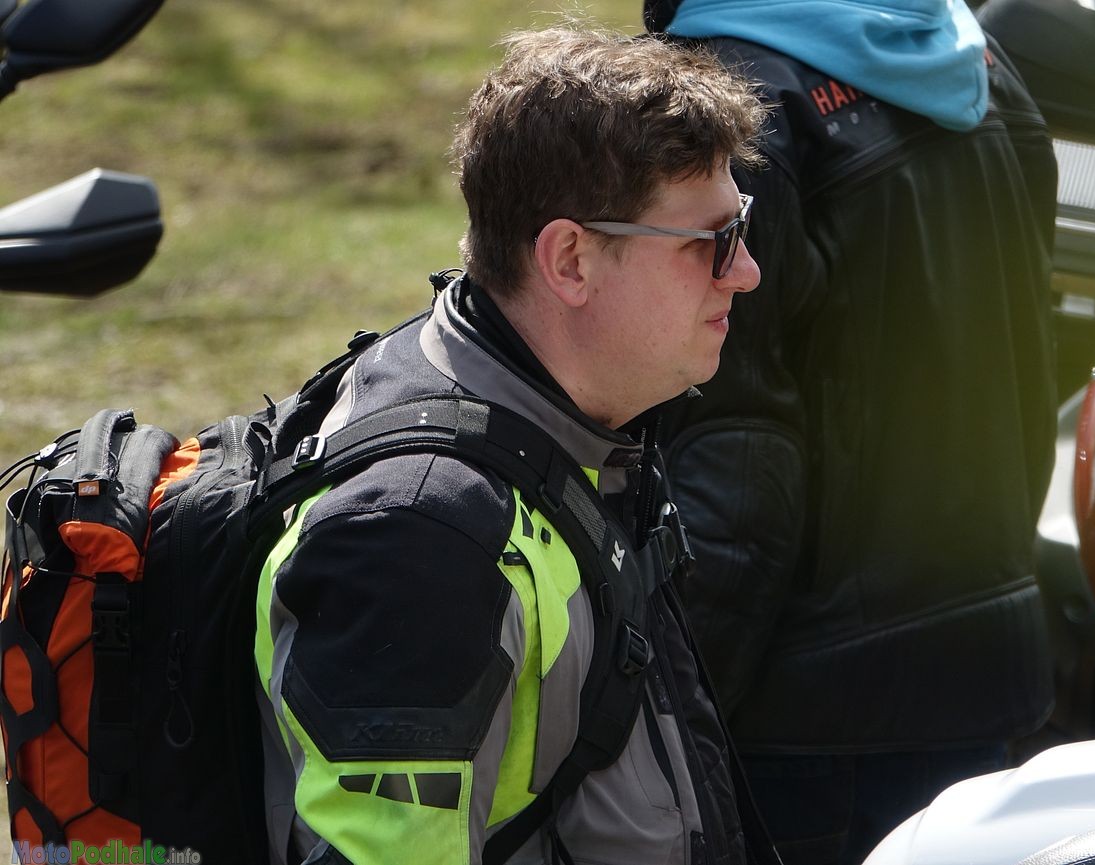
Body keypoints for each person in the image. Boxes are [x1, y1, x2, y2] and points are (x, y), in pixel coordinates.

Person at [253, 26, 778, 865]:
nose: (745, 271)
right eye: (709, 242)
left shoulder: (575, 411)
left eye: (740, 226)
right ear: (570, 260)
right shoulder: (421, 540)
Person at [644, 1, 1060, 862]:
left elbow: (733, 462)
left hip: (795, 722)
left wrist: (654, 719)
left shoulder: (732, 103)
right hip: (983, 673)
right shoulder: (969, 57)